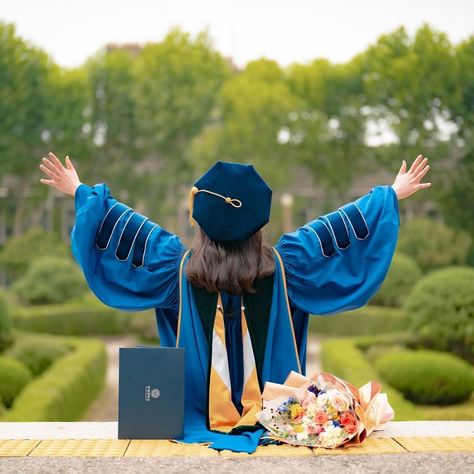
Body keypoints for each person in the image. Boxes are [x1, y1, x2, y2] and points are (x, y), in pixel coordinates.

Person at [39, 153, 430, 453]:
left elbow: (120, 225)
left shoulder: (173, 266)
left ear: (201, 219)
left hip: (190, 416)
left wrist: (79, 190)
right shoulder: (287, 265)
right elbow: (341, 230)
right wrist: (391, 194)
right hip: (281, 416)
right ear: (258, 222)